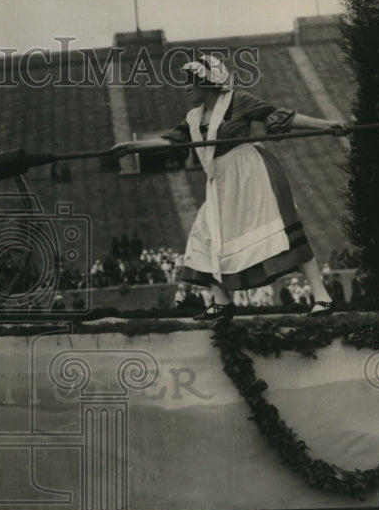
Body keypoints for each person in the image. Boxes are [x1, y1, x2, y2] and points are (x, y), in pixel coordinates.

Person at [111, 54, 345, 319]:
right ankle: (222, 302)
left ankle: (323, 297)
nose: (186, 87)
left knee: (283, 231)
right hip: (221, 182)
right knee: (205, 234)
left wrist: (327, 125)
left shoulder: (238, 100)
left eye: (191, 81)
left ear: (208, 81)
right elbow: (170, 142)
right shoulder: (192, 117)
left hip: (253, 175)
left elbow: (281, 117)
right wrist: (130, 147)